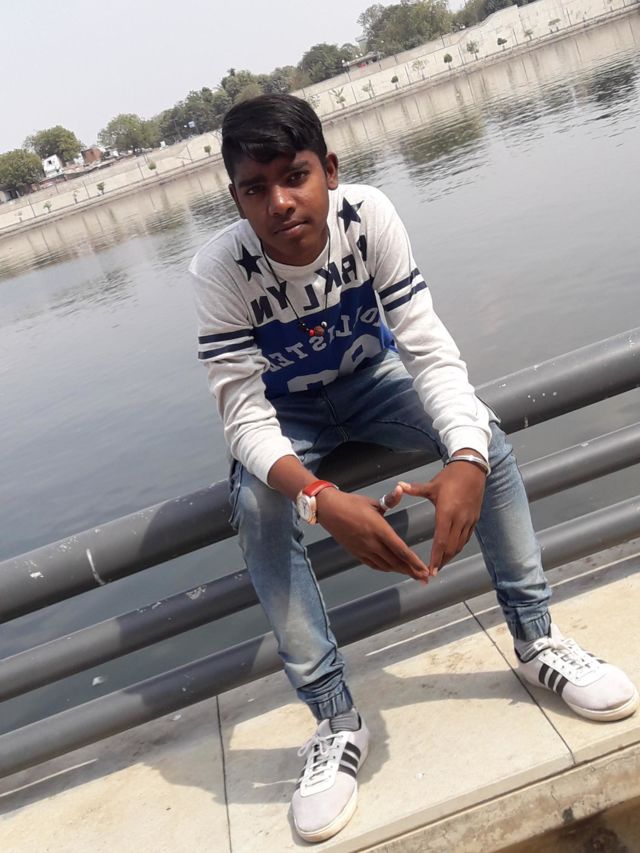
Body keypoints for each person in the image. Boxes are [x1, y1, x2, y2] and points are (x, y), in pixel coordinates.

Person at [189, 94, 638, 843]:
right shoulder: (219, 270)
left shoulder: (369, 218)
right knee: (261, 508)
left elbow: (426, 347)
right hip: (285, 412)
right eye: (256, 188)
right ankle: (335, 720)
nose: (280, 202)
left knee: (484, 438)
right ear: (236, 199)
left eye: (295, 175)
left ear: (330, 171)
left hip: (374, 380)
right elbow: (242, 414)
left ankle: (536, 639)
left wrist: (465, 459)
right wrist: (319, 497)